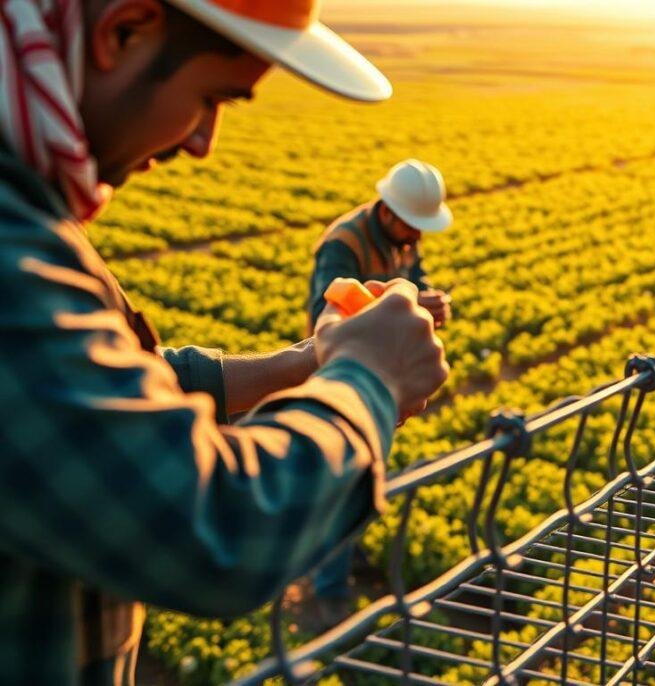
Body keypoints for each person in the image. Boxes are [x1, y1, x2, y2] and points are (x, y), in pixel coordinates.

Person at [0, 1, 449, 684]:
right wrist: (368, 378)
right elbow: (217, 532)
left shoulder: (27, 209)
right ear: (123, 30)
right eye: (211, 98)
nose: (203, 141)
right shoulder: (11, 252)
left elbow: (116, 390)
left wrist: (302, 366)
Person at [304, 159, 453, 616]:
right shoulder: (342, 245)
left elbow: (414, 277)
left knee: (368, 467)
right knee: (342, 473)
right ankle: (327, 589)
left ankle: (346, 551)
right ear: (388, 214)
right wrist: (394, 302)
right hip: (339, 372)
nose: (418, 238)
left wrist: (423, 298)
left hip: (383, 373)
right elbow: (323, 317)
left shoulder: (401, 234)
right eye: (413, 227)